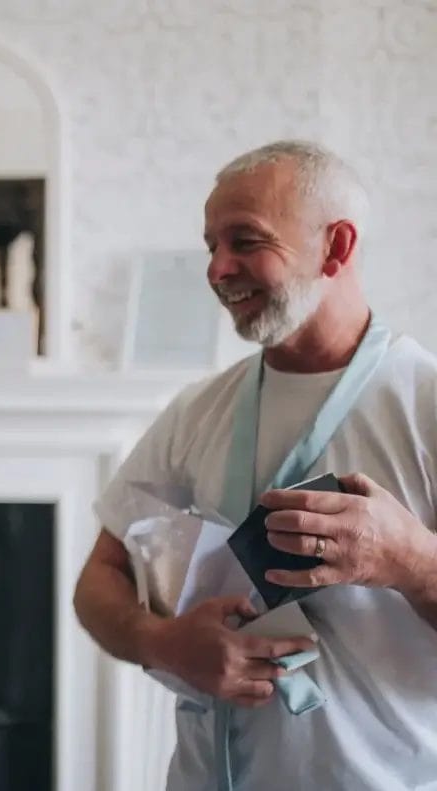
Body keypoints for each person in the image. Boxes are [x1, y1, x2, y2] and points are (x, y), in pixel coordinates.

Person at [73, 140, 437, 789]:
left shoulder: (426, 405)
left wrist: (412, 560)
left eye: (245, 240)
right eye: (211, 245)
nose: (217, 269)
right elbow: (96, 579)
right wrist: (165, 642)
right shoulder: (196, 411)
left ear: (338, 247)